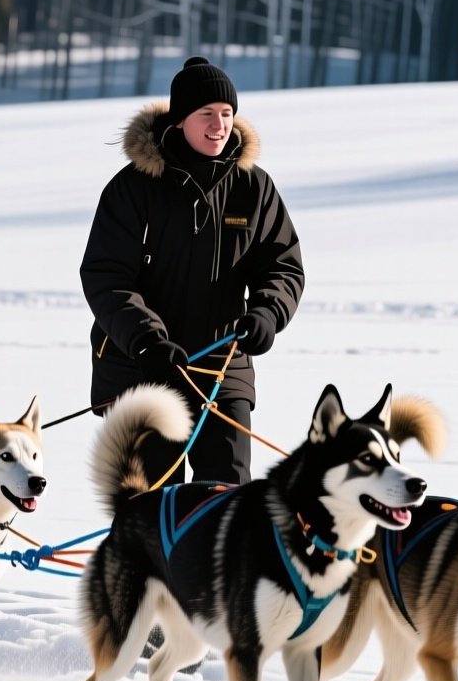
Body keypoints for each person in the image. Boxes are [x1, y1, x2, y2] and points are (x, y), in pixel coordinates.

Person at [80, 57, 305, 487]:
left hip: (222, 369)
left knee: (226, 497)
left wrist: (267, 313)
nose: (220, 126)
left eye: (227, 113)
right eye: (207, 114)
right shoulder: (133, 187)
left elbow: (282, 265)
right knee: (152, 503)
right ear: (180, 119)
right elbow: (107, 277)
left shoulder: (254, 187)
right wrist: (146, 340)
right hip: (143, 368)